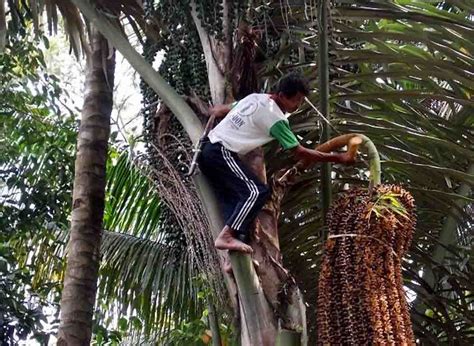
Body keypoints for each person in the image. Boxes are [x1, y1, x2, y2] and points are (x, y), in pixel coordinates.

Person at [197, 73, 354, 253]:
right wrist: (338, 158)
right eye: (296, 101)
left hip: (207, 149)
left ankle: (231, 258)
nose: (298, 106)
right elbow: (299, 152)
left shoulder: (256, 98)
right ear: (281, 95)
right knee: (256, 192)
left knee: (236, 205)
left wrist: (216, 110)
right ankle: (226, 237)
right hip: (220, 152)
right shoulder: (276, 118)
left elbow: (227, 108)